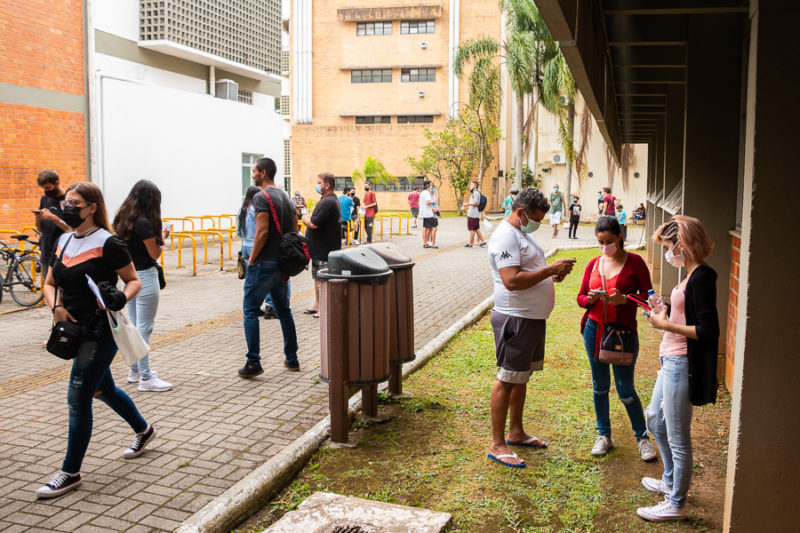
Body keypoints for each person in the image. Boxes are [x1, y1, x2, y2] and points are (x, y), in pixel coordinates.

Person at [37, 182, 155, 499]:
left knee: (78, 398)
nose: (67, 208)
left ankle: (70, 472)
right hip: (72, 329)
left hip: (100, 330)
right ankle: (144, 430)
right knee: (103, 389)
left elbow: (133, 281)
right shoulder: (63, 241)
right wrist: (57, 307)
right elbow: (49, 283)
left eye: (74, 203)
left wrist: (119, 297)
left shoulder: (109, 242)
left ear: (92, 207)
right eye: (67, 202)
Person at [637, 216, 719, 522]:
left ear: (683, 244)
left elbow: (709, 330)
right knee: (654, 418)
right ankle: (670, 481)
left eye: (670, 247)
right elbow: (688, 316)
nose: (669, 254)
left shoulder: (702, 277)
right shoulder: (689, 276)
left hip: (681, 362)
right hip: (669, 358)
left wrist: (665, 324)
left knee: (678, 436)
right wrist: (664, 311)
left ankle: (676, 502)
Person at [487, 187, 576, 468]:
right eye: (535, 218)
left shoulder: (522, 233)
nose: (538, 223)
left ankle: (516, 431)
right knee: (507, 377)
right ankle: (497, 444)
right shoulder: (504, 236)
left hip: (532, 318)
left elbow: (527, 272)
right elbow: (511, 280)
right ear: (520, 211)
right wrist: (549, 271)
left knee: (521, 376)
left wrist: (550, 277)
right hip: (516, 318)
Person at [576, 216, 656, 461]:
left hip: (623, 334)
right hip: (594, 330)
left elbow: (649, 300)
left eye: (609, 241)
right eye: (600, 242)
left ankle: (642, 437)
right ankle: (604, 435)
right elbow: (580, 298)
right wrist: (590, 299)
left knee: (625, 389)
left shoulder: (635, 263)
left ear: (620, 236)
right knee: (599, 387)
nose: (604, 246)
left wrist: (626, 299)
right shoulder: (593, 264)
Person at [240, 158, 300, 376]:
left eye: (255, 171)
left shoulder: (261, 196)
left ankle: (253, 362)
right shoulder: (287, 196)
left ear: (263, 173)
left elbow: (262, 231)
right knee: (284, 311)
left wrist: (252, 259)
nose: (253, 174)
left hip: (264, 263)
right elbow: (294, 230)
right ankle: (292, 359)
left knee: (249, 311)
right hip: (283, 265)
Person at [112, 180, 173, 392]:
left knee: (135, 327)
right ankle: (146, 378)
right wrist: (162, 237)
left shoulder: (122, 218)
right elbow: (154, 253)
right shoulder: (145, 223)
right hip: (145, 276)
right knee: (144, 328)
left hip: (128, 278)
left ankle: (135, 370)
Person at [301, 173, 342, 319]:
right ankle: (318, 304)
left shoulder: (327, 202)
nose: (317, 185)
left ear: (327, 185)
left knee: (324, 278)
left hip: (325, 248)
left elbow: (314, 223)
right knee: (317, 277)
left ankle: (324, 307)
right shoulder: (327, 200)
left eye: (319, 183)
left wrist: (304, 218)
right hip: (318, 249)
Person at [238, 186, 279, 320]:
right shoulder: (258, 211)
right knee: (265, 276)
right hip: (257, 247)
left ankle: (252, 305)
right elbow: (262, 231)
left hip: (245, 246)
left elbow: (239, 232)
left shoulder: (241, 210)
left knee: (251, 277)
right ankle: (269, 306)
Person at [34, 169, 71, 280]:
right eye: (43, 188)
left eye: (48, 188)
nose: (46, 191)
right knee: (49, 286)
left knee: (62, 289)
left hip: (62, 253)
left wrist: (53, 218)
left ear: (57, 183)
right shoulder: (45, 199)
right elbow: (40, 229)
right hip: (46, 252)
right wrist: (37, 218)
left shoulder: (68, 200)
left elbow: (71, 229)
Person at [463, 180, 486, 248]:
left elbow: (476, 203)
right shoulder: (474, 193)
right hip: (473, 213)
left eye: (471, 185)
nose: (470, 186)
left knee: (472, 229)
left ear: (475, 186)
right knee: (476, 228)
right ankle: (483, 241)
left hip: (473, 214)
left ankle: (470, 243)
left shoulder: (476, 193)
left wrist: (467, 204)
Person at [418, 180, 438, 249]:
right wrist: (433, 202)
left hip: (425, 213)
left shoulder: (423, 192)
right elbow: (428, 202)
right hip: (428, 213)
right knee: (429, 228)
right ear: (428, 185)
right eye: (430, 185)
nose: (431, 186)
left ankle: (426, 243)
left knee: (426, 228)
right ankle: (428, 243)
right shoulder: (426, 193)